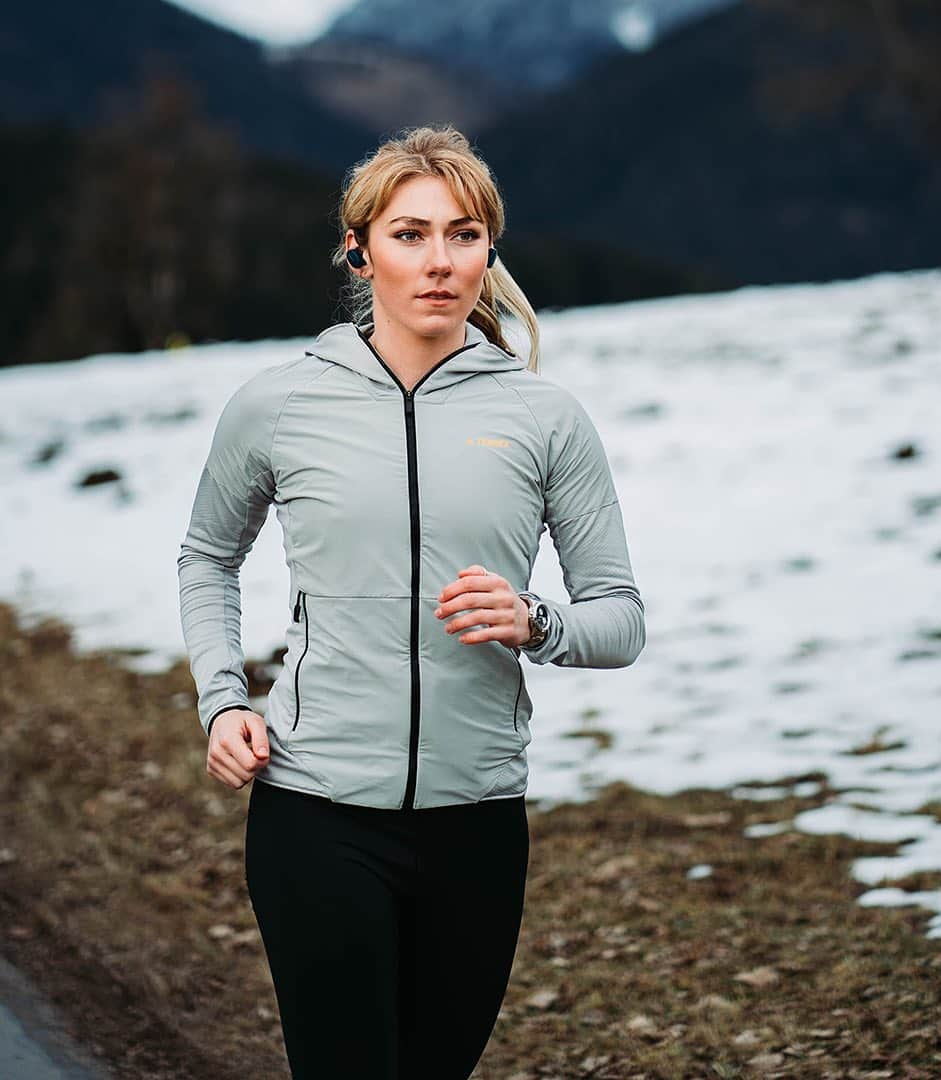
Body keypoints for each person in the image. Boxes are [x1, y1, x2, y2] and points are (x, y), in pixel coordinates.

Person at [176, 124, 646, 1079]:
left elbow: (621, 616)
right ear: (359, 249)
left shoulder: (542, 416)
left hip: (476, 820)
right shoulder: (278, 405)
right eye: (410, 234)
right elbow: (206, 556)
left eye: (464, 236)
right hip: (316, 811)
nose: (440, 262)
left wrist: (537, 622)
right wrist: (223, 699)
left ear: (489, 251)